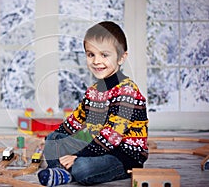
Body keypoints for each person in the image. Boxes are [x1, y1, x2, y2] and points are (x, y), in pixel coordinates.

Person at [38, 21, 149, 186]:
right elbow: (75, 121)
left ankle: (69, 172)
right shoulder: (93, 91)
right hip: (94, 144)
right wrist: (53, 139)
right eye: (91, 55)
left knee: (82, 167)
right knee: (53, 140)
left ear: (121, 57)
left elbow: (111, 138)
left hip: (122, 155)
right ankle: (63, 172)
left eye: (104, 55)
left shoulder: (127, 92)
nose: (96, 61)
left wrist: (79, 155)